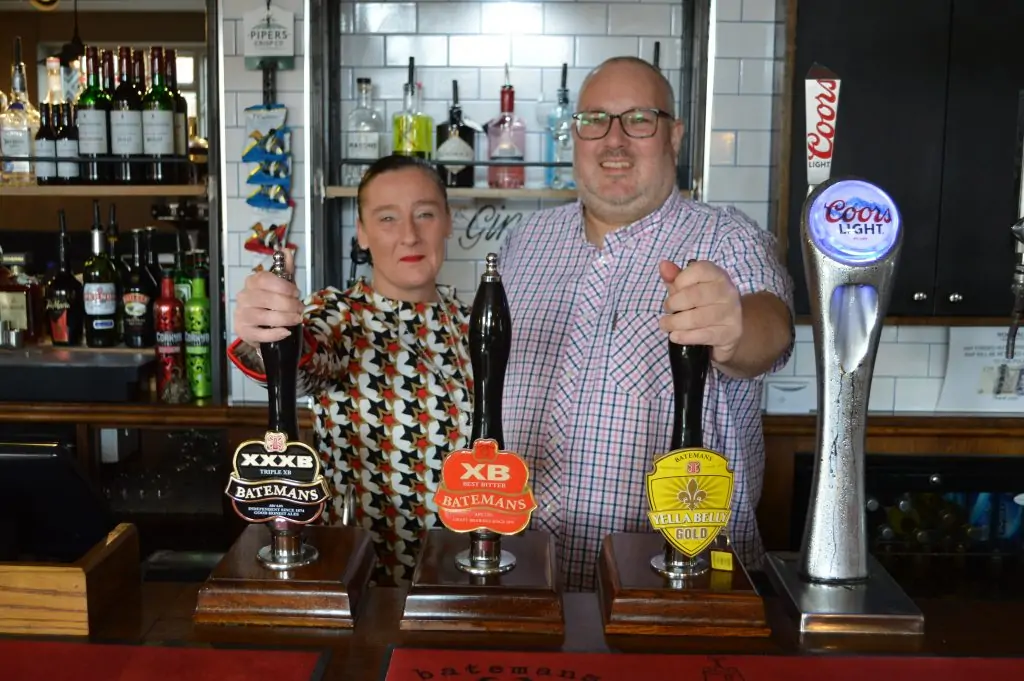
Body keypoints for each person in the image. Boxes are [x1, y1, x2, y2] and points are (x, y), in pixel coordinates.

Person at [498, 56, 795, 591]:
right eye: (595, 121)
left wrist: (732, 330)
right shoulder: (526, 242)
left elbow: (771, 332)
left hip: (671, 582)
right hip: (525, 572)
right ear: (575, 136)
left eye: (639, 119)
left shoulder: (726, 239)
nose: (614, 140)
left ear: (674, 136)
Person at [228, 154, 473, 585]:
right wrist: (263, 331)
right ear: (361, 233)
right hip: (363, 577)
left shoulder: (470, 322)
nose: (410, 235)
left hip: (460, 572)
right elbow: (302, 362)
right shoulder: (339, 315)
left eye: (425, 214)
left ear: (448, 221)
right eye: (387, 218)